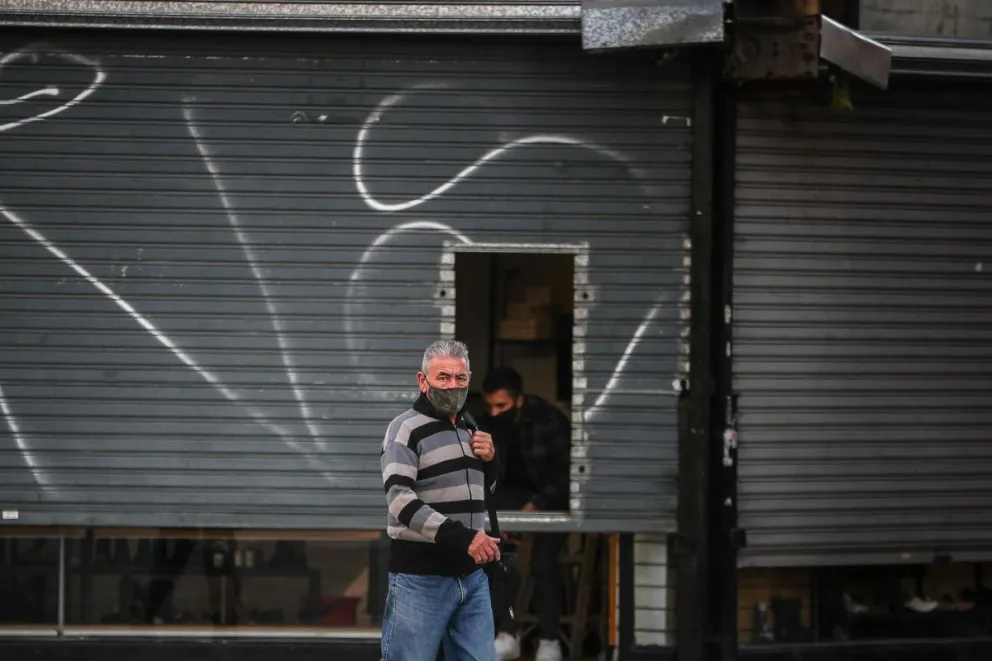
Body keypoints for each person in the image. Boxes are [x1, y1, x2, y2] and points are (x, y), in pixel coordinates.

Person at [380, 339, 502, 661]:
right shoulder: (405, 429)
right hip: (421, 579)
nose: (452, 386)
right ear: (423, 381)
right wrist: (464, 537)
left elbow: (481, 494)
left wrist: (491, 462)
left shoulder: (469, 426)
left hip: (472, 577)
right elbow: (400, 501)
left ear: (469, 379)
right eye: (443, 377)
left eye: (460, 378)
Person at [481, 367, 570, 661]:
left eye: (501, 406)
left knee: (544, 565)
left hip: (549, 503)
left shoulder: (549, 421)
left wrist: (537, 504)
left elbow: (565, 474)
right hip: (508, 504)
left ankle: (549, 639)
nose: (494, 413)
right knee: (502, 563)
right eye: (490, 406)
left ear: (518, 401)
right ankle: (507, 633)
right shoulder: (487, 426)